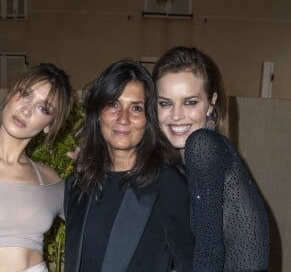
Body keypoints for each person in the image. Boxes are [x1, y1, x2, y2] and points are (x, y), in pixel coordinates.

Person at [64, 60, 194, 272]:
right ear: (98, 113)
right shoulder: (78, 183)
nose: (123, 118)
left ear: (148, 119)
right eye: (113, 104)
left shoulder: (169, 184)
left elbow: (191, 264)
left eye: (136, 108)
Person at [152, 46, 270, 271]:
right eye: (165, 103)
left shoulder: (203, 145)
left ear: (211, 102)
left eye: (190, 102)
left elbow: (209, 251)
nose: (176, 115)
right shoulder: (198, 155)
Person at [0, 63, 74, 272]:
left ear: (49, 124)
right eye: (25, 94)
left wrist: (95, 168)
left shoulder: (49, 179)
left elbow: (99, 225)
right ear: (11, 93)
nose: (26, 110)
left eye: (43, 108)